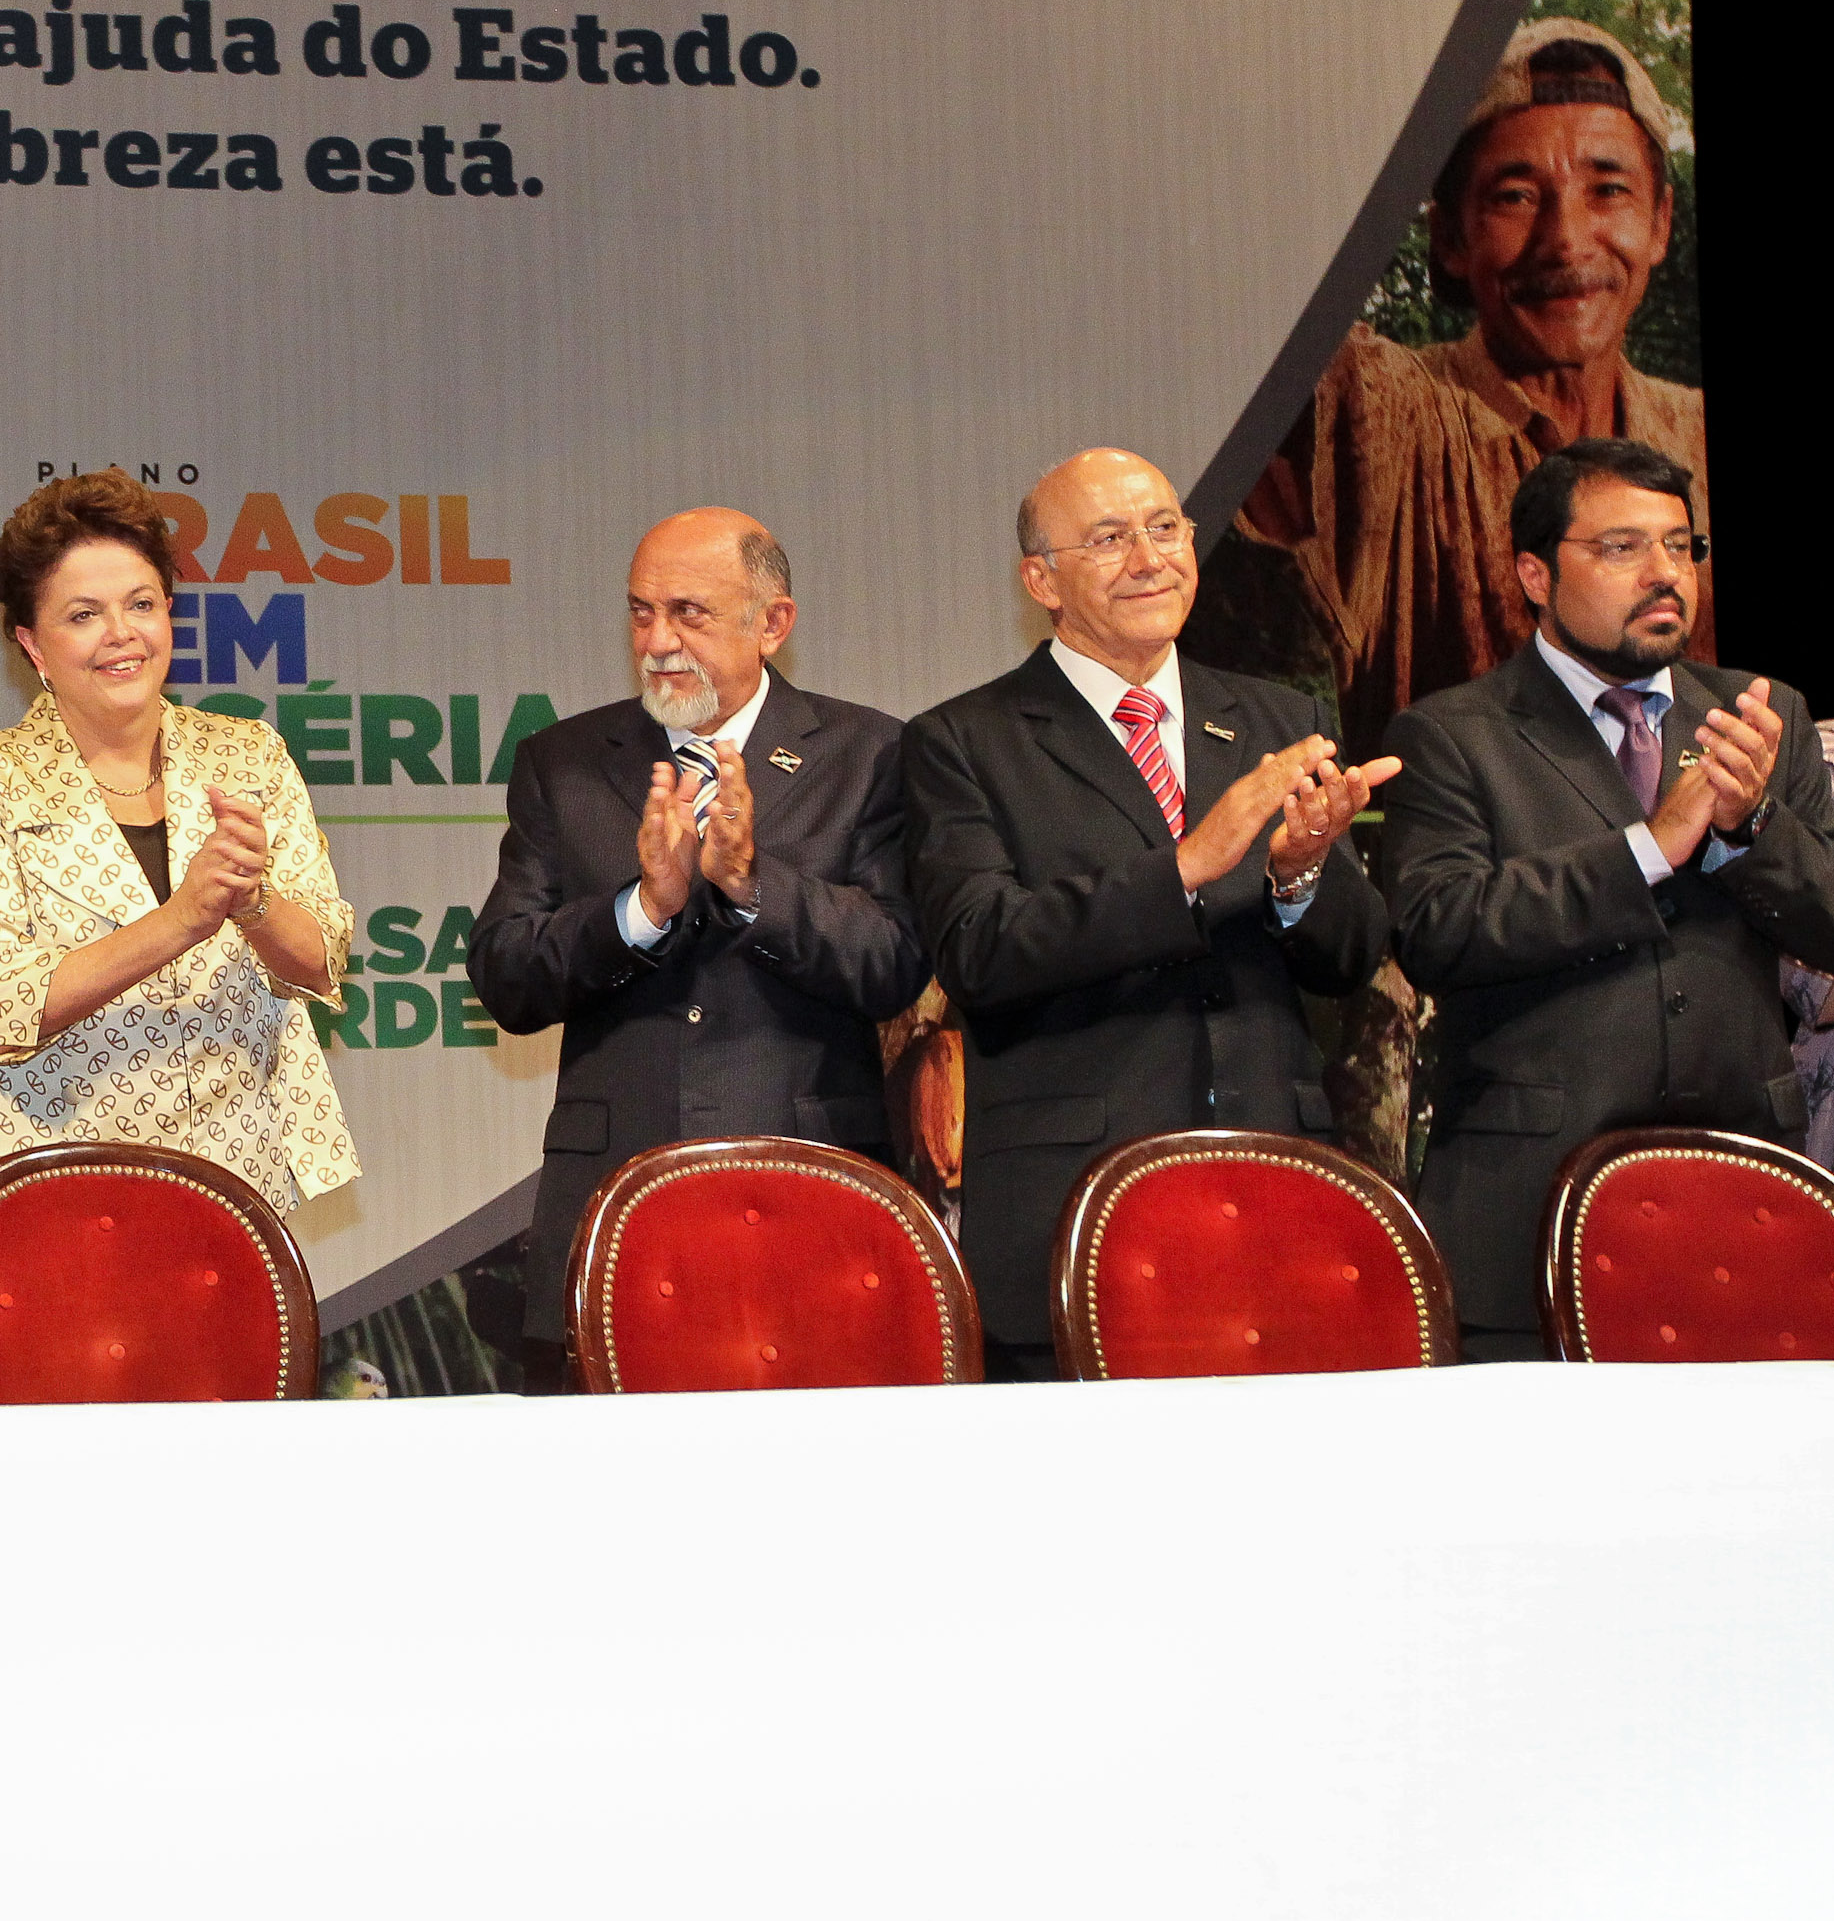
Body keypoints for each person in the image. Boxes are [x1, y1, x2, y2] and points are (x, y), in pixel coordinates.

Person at [904, 449, 1396, 1377]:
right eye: (1108, 538)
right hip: (1074, 1210)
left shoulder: (1270, 714)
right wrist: (1187, 868)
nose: (1148, 557)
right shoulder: (962, 740)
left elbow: (1354, 951)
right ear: (1040, 579)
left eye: (1164, 528)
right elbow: (979, 949)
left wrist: (1299, 875)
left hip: (1274, 1184)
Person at [1375, 439, 1834, 1359]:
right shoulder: (1451, 734)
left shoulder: (1756, 714)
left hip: (1744, 1198)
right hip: (1526, 1212)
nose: (1664, 574)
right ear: (1534, 574)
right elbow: (1437, 928)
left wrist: (1749, 832)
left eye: (1680, 546)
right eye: (1623, 548)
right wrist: (1649, 850)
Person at [467, 506, 928, 1389]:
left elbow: (896, 960)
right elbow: (505, 975)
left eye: (690, 612)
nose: (659, 641)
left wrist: (755, 886)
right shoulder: (564, 761)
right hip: (613, 1198)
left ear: (774, 622)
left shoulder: (869, 752)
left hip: (808, 1191)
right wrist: (644, 906)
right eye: (641, 612)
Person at [1193, 19, 1706, 756]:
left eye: (1608, 189)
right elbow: (1265, 302)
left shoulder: (1693, 431)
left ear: (1658, 224)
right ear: (1451, 239)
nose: (1566, 238)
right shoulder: (1397, 411)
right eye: (1516, 196)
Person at [0, 468, 357, 1221]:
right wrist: (181, 919)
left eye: (142, 604)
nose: (122, 634)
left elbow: (322, 961)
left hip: (233, 1183)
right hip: (45, 1192)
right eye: (84, 614)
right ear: (32, 644)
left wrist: (253, 904)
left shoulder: (248, 757)